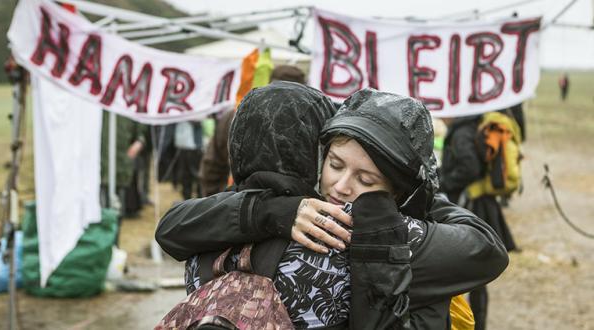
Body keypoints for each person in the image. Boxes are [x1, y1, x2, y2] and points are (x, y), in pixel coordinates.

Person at [156, 87, 509, 329]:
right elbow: (486, 248)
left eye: (366, 180)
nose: (341, 187)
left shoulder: (215, 228)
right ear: (314, 152)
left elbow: (171, 228)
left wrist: (273, 211)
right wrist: (425, 194)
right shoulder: (345, 226)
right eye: (336, 165)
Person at [440, 114, 517, 330]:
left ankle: (475, 325)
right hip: (479, 206)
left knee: (472, 277)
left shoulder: (462, 132)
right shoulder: (471, 126)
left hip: (471, 207)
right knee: (477, 278)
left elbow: (469, 168)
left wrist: (443, 182)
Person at [197, 65, 307, 197]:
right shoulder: (235, 115)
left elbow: (211, 165)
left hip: (280, 206)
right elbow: (213, 164)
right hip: (239, 202)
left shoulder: (307, 123)